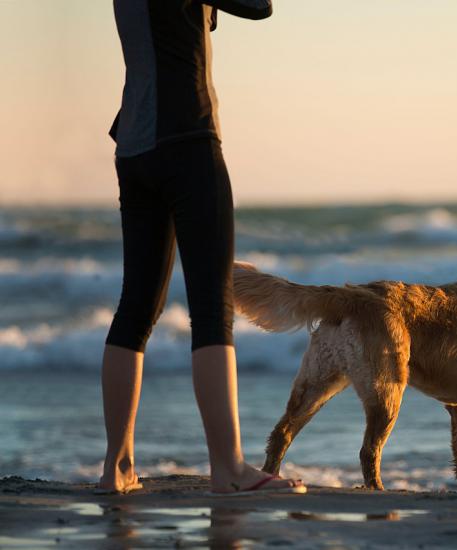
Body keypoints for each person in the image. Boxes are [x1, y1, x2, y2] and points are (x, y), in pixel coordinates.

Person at [98, 0, 304, 495]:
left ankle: (117, 468)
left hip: (134, 146)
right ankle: (229, 468)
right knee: (212, 310)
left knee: (135, 309)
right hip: (187, 138)